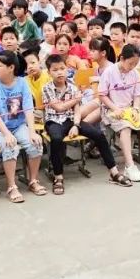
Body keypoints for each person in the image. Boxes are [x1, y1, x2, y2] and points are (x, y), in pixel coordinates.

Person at [42, 54, 130, 192]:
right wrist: (75, 100)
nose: (59, 72)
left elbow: (77, 110)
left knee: (99, 135)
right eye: (55, 70)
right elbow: (59, 107)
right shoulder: (46, 88)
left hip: (72, 120)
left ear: (67, 69)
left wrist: (76, 125)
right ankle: (58, 176)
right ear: (49, 72)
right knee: (56, 139)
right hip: (53, 121)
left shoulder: (72, 87)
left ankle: (113, 172)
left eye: (62, 68)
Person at [0, 51, 45, 204]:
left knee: (35, 143)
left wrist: (32, 131)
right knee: (10, 146)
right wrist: (6, 134)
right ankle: (11, 186)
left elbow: (28, 108)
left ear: (11, 67)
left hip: (18, 125)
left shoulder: (22, 82)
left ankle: (33, 180)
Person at [98, 43, 140, 183]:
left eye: (135, 64)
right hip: (112, 110)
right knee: (125, 127)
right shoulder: (109, 71)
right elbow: (102, 95)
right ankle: (129, 166)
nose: (132, 67)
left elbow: (137, 95)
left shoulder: (135, 73)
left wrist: (136, 109)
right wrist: (115, 108)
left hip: (130, 108)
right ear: (122, 58)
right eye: (131, 63)